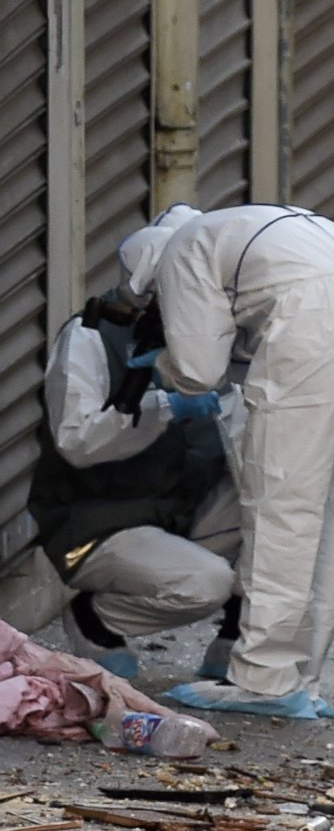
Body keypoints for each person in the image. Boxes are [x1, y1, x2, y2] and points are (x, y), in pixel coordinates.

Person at [118, 204, 334, 720]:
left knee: (283, 508)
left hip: (315, 333)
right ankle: (303, 679)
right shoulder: (243, 224)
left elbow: (199, 371)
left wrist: (161, 368)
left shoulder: (181, 253)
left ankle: (264, 679)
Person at [32, 281, 241, 680]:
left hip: (171, 510)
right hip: (98, 524)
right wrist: (164, 406)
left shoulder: (198, 333)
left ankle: (237, 636)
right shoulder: (90, 336)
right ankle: (93, 617)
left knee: (276, 504)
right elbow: (77, 442)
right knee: (208, 583)